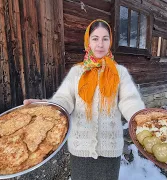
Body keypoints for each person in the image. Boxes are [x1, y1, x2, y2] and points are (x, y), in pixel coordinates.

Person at [24, 19, 145, 180]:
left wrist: (141, 119)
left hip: (110, 148)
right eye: (95, 39)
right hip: (81, 147)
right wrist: (44, 107)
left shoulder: (119, 72)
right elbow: (64, 99)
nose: (100, 44)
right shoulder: (77, 72)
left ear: (110, 42)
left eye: (105, 39)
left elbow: (129, 100)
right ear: (88, 41)